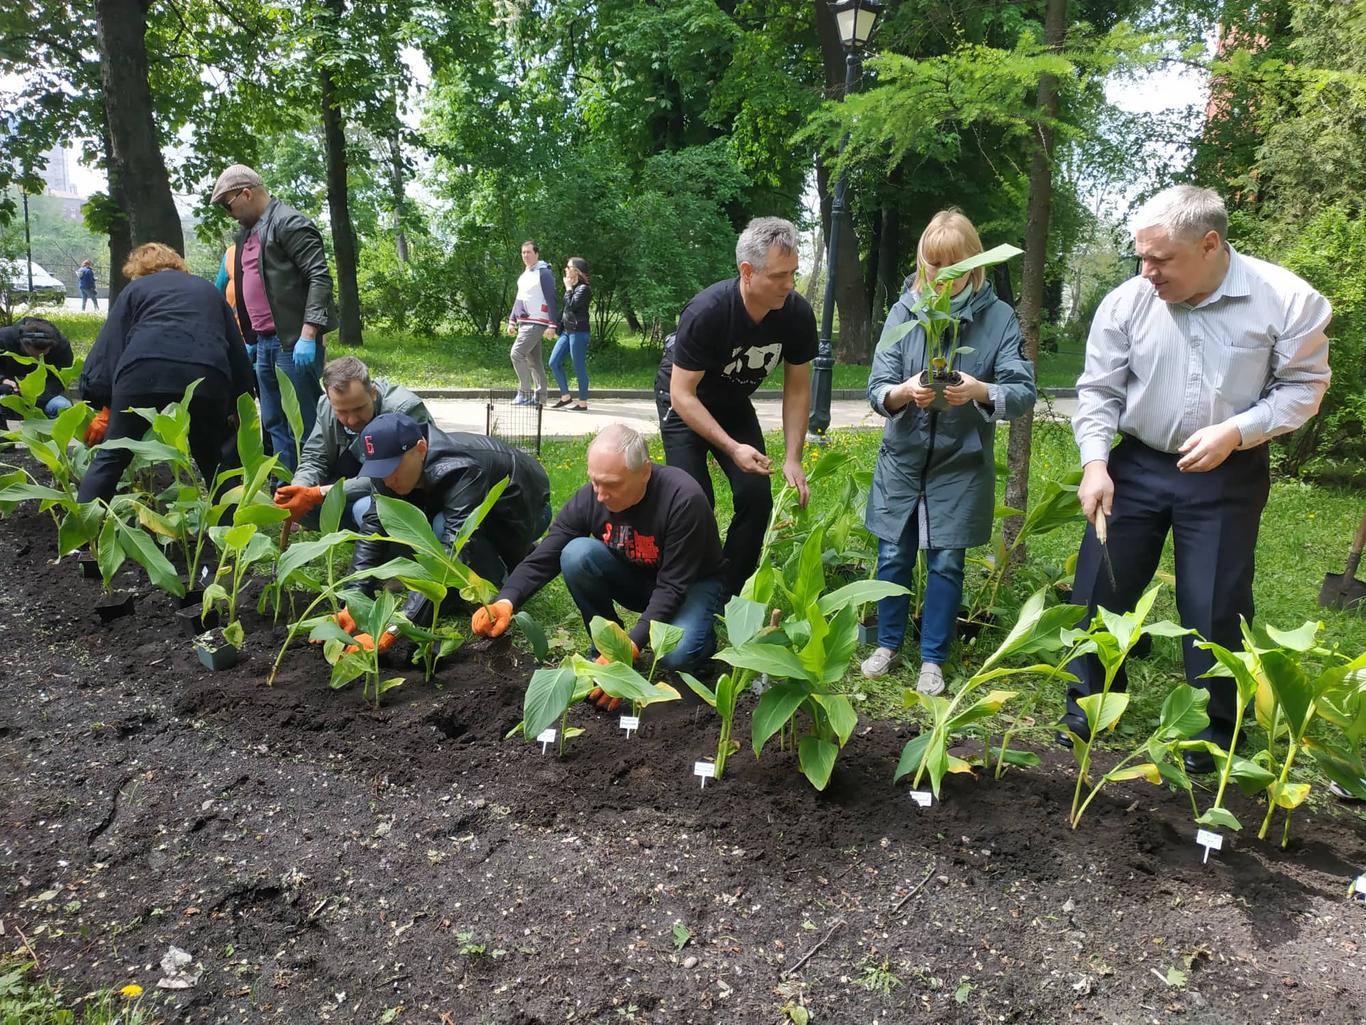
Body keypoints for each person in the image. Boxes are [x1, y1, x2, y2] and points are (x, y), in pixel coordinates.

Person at [1065, 185, 1332, 772]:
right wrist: (1094, 463)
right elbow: (1099, 390)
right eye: (1141, 256)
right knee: (1099, 588)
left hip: (1226, 473)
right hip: (1134, 464)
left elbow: (1304, 388)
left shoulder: (1286, 301)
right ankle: (1087, 709)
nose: (1147, 271)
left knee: (1214, 604)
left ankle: (1209, 735)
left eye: (1161, 259)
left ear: (1210, 244)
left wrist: (1235, 431)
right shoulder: (1129, 301)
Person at [860, 210, 1036, 695]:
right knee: (893, 554)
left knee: (945, 562)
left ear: (973, 263)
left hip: (960, 461)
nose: (939, 276)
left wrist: (980, 390)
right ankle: (887, 644)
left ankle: (933, 658)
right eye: (931, 265)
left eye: (951, 265)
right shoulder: (905, 312)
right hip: (903, 457)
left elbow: (1022, 390)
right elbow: (877, 388)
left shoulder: (997, 318)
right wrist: (903, 391)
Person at [470, 423, 727, 693]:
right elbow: (548, 553)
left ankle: (703, 632)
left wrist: (631, 647)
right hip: (638, 577)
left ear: (645, 471)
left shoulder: (682, 499)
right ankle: (606, 647)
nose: (601, 495)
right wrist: (506, 600)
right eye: (595, 481)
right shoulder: (592, 497)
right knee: (576, 553)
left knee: (677, 655)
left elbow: (672, 587)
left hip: (690, 586)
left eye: (612, 485)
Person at [655, 216, 815, 596]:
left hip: (732, 402)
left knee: (756, 496)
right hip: (684, 402)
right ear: (747, 271)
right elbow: (683, 395)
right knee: (694, 500)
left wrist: (794, 457)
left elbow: (797, 390)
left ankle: (729, 589)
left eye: (793, 273)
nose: (789, 285)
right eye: (778, 276)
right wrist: (731, 447)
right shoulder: (707, 312)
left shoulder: (796, 314)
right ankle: (684, 586)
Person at [338, 413, 552, 650]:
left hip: (522, 511)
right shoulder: (389, 472)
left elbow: (456, 545)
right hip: (465, 509)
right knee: (419, 526)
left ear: (421, 448)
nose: (387, 480)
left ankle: (504, 571)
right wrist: (353, 600)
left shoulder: (460, 468)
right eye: (380, 471)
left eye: (393, 468)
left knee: (445, 530)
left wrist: (396, 628)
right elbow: (373, 527)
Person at [76, 243, 254, 503]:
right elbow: (236, 350)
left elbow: (110, 347)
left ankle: (83, 538)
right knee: (214, 461)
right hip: (205, 373)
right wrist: (241, 401)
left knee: (112, 456)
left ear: (139, 270)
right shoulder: (207, 290)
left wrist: (104, 405)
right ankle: (231, 540)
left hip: (142, 371)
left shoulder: (135, 289)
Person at [211, 163, 337, 471]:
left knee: (304, 420)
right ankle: (285, 484)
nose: (230, 214)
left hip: (292, 341)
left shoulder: (289, 223)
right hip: (263, 341)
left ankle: (313, 489)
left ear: (246, 193)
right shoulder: (246, 234)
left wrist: (309, 334)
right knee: (273, 420)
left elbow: (319, 277)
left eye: (229, 206)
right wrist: (250, 336)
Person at [272, 356, 431, 529]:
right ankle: (366, 535)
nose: (353, 420)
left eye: (359, 408)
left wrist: (317, 493)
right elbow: (314, 458)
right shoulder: (326, 407)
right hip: (355, 477)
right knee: (306, 507)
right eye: (342, 412)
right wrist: (299, 490)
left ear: (373, 392)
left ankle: (395, 547)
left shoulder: (404, 410)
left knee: (365, 509)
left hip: (401, 491)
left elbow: (393, 476)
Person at [506, 240, 557, 407]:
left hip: (537, 321)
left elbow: (551, 298)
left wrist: (552, 324)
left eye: (528, 252)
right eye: (523, 252)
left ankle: (525, 393)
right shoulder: (525, 275)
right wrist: (512, 321)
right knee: (534, 361)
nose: (525, 255)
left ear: (536, 253)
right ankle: (540, 397)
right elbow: (519, 300)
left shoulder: (544, 273)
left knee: (516, 353)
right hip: (524, 322)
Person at [0, 316, 74, 424]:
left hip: (45, 393)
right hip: (9, 391)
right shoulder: (4, 339)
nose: (35, 359)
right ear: (22, 344)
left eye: (42, 355)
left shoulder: (61, 346)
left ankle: (50, 440)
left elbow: (59, 380)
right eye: (32, 354)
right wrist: (3, 380)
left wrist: (34, 398)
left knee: (63, 407)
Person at [549, 257, 592, 410]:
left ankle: (583, 402)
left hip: (579, 333)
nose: (566, 269)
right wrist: (554, 326)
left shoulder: (584, 289)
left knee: (578, 366)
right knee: (553, 362)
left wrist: (568, 288)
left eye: (568, 267)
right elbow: (566, 310)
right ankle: (565, 396)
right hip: (567, 332)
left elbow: (572, 305)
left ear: (577, 270)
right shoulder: (573, 288)